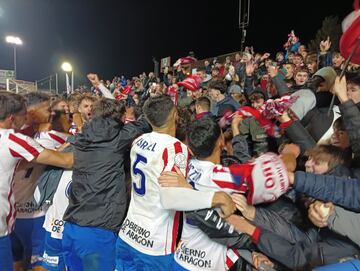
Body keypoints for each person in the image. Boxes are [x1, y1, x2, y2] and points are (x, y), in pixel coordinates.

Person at [116, 95, 235, 271]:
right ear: (174, 115)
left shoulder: (138, 141)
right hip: (154, 244)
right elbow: (171, 198)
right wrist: (216, 198)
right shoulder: (175, 147)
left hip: (128, 233)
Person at [62, 89, 152, 270]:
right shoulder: (117, 137)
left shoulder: (81, 135)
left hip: (71, 226)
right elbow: (145, 124)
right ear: (119, 119)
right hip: (98, 231)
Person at [0, 92, 73, 271]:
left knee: (17, 259)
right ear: (12, 118)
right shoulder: (15, 140)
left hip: (16, 215)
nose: (51, 113)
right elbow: (67, 161)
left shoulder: (31, 135)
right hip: (20, 218)